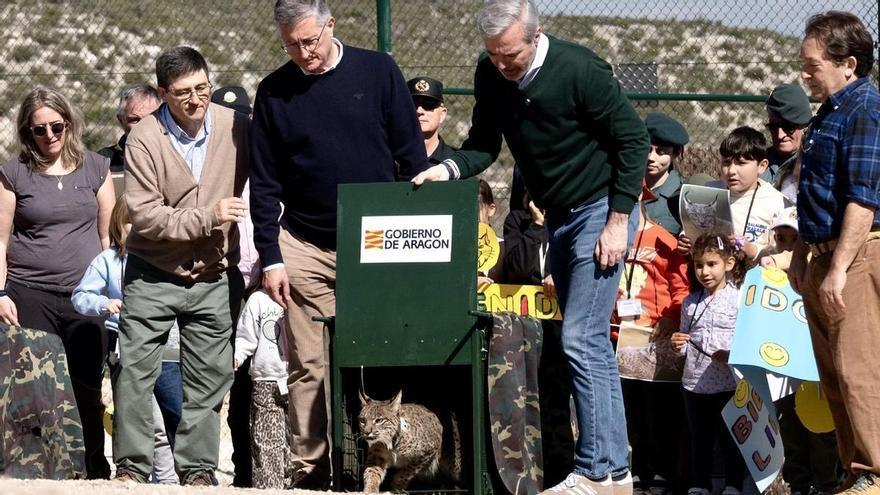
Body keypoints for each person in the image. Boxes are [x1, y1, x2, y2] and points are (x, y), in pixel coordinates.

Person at [411, 1, 649, 493]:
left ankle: (593, 469)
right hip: (557, 216)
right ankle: (616, 473)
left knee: (580, 337)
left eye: (511, 55)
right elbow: (483, 142)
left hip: (601, 209)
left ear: (536, 36)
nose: (503, 65)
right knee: (590, 346)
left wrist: (619, 219)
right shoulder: (490, 72)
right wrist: (449, 169)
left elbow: (633, 140)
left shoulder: (581, 69)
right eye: (494, 55)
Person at [250, 0, 428, 487]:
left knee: (383, 352)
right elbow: (264, 185)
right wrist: (271, 257)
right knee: (308, 365)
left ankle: (388, 468)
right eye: (292, 44)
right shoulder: (273, 92)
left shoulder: (378, 71)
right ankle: (311, 471)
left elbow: (410, 158)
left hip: (376, 240)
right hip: (304, 244)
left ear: (331, 25)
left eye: (310, 40)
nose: (304, 52)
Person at [112, 46, 250, 485]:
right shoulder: (144, 139)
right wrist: (208, 216)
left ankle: (198, 472)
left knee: (208, 380)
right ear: (162, 93)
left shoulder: (236, 128)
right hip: (152, 272)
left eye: (202, 87)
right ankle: (131, 468)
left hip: (214, 273)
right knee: (135, 370)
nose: (196, 99)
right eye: (183, 92)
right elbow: (145, 215)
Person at [0, 86, 116, 479]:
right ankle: (37, 469)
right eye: (39, 130)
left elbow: (107, 237)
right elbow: (0, 240)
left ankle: (94, 466)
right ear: (26, 132)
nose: (49, 136)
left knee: (86, 385)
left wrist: (113, 292)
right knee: (36, 390)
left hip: (87, 297)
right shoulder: (14, 173)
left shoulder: (96, 167)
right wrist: (0, 293)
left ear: (69, 124)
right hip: (29, 293)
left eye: (56, 126)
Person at [790, 11, 880, 495]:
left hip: (857, 257)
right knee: (834, 379)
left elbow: (862, 197)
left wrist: (839, 268)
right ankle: (856, 473)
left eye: (812, 65)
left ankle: (874, 475)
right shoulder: (828, 110)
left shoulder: (865, 108)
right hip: (823, 257)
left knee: (859, 372)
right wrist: (803, 254)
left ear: (847, 63)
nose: (804, 74)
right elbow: (814, 192)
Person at [70, 196, 180, 484]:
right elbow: (81, 296)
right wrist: (105, 303)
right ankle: (134, 473)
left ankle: (174, 479)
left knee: (173, 413)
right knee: (137, 415)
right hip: (124, 344)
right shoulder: (108, 260)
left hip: (167, 347)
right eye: (132, 221)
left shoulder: (167, 258)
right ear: (119, 224)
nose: (138, 228)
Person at [614, 191, 690, 495]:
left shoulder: (663, 239)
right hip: (617, 337)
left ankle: (661, 472)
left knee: (657, 410)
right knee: (627, 410)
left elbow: (681, 287)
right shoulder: (612, 237)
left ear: (641, 201)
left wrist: (672, 317)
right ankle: (635, 470)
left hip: (653, 338)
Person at [670, 234, 749, 495]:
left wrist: (732, 354)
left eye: (711, 264)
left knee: (731, 438)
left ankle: (733, 484)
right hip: (694, 383)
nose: (704, 271)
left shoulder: (739, 300)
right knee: (699, 438)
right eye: (698, 265)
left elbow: (748, 342)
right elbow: (683, 345)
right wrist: (677, 343)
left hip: (728, 382)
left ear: (728, 263)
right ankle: (699, 484)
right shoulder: (690, 303)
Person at [211, 84, 256, 488]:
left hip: (259, 291)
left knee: (253, 385)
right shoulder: (204, 175)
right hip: (216, 283)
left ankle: (253, 469)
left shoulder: (265, 175)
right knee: (216, 379)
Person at [680, 127, 787, 260]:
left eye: (741, 163)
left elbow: (782, 252)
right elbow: (692, 229)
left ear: (762, 166)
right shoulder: (709, 192)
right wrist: (685, 240)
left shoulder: (777, 202)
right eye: (726, 163)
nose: (731, 171)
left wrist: (752, 250)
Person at [234, 289, 292, 489]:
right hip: (265, 379)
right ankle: (269, 487)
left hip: (295, 379)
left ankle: (291, 484)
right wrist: (239, 355)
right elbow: (246, 334)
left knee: (293, 439)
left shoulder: (299, 293)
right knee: (266, 440)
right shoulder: (258, 299)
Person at [761, 83, 812, 198]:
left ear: (805, 126)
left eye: (789, 127)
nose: (780, 135)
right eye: (773, 127)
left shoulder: (813, 165)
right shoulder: (759, 161)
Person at [98, 85, 163, 174]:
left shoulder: (176, 154)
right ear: (121, 120)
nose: (142, 126)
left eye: (149, 119)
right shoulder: (102, 162)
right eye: (134, 120)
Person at [643, 112, 689, 236]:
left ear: (675, 154)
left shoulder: (681, 198)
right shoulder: (626, 187)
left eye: (661, 152)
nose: (651, 157)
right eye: (647, 149)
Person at [408, 76, 456, 164]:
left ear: (442, 114)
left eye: (428, 104)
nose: (419, 111)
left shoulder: (455, 163)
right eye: (412, 105)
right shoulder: (388, 160)